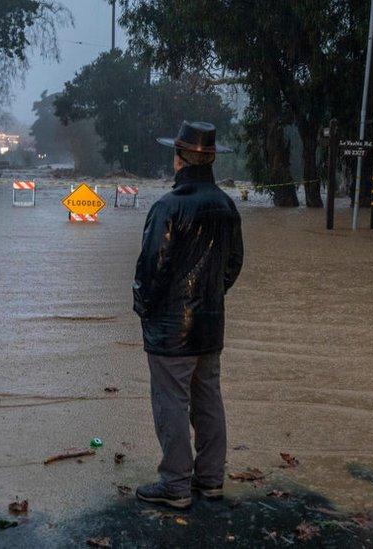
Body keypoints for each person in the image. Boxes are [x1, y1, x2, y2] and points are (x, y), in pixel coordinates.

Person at [132, 121, 244, 509]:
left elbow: (151, 269)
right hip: (210, 324)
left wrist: (145, 309)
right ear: (210, 160)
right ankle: (211, 478)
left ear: (179, 159)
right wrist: (210, 296)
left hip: (171, 330)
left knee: (172, 402)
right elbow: (233, 264)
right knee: (208, 398)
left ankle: (175, 485)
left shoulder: (168, 206)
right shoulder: (226, 205)